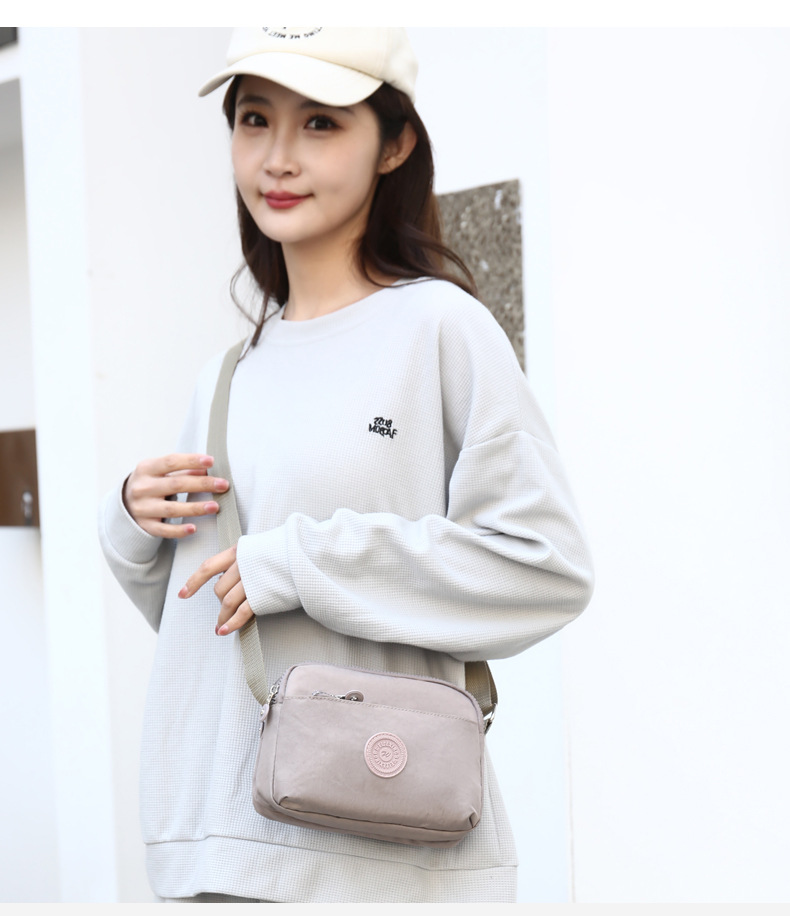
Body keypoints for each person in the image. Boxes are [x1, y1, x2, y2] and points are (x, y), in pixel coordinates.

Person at [99, 27, 593, 904]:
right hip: (214, 848)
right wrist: (133, 527)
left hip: (378, 853)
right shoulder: (227, 375)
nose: (278, 158)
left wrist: (303, 562)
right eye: (255, 120)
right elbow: (218, 616)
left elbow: (545, 569)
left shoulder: (440, 330)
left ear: (393, 144)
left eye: (321, 123)